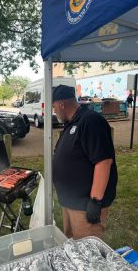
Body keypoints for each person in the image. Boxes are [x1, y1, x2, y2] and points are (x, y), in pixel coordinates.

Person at [52, 85, 118, 240]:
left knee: (88, 254)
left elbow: (103, 162)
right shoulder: (73, 122)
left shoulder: (90, 121)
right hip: (70, 202)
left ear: (61, 104)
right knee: (72, 247)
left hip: (85, 206)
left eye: (54, 107)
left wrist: (95, 201)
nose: (54, 111)